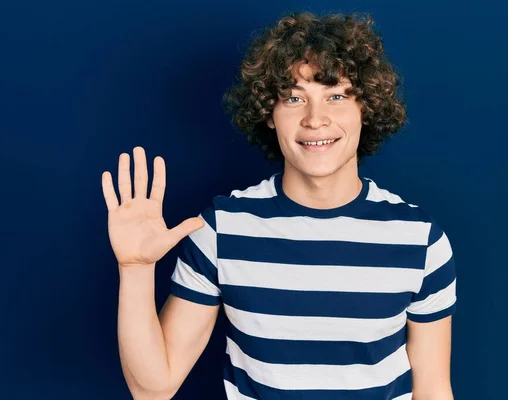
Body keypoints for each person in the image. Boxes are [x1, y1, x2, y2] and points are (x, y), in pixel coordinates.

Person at [102, 11, 457, 400]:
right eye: (293, 98)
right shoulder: (220, 232)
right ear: (269, 114)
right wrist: (135, 270)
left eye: (336, 96)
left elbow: (434, 388)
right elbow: (152, 388)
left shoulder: (420, 240)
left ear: (365, 109)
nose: (315, 119)